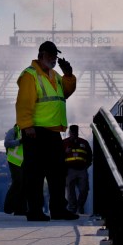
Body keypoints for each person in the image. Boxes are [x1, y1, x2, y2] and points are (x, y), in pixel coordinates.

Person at [15, 40, 78, 221]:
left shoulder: (55, 75)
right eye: (50, 55)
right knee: (35, 174)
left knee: (57, 173)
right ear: (41, 54)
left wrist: (69, 75)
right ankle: (34, 211)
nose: (54, 58)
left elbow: (64, 93)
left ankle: (58, 209)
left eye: (55, 55)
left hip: (52, 132)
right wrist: (27, 126)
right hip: (35, 132)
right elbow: (24, 103)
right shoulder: (30, 75)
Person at [63, 124, 93, 215]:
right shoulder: (64, 143)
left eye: (75, 133)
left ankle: (80, 205)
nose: (73, 134)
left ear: (77, 132)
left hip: (82, 169)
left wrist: (86, 166)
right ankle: (73, 208)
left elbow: (90, 155)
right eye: (72, 133)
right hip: (69, 170)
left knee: (84, 189)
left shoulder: (84, 142)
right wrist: (65, 152)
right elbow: (58, 156)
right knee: (70, 191)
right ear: (69, 133)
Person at [3, 123, 27, 215]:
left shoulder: (29, 131)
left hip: (24, 162)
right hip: (14, 160)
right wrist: (20, 141)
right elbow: (7, 143)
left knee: (24, 184)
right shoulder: (13, 131)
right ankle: (8, 207)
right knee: (18, 182)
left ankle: (21, 209)